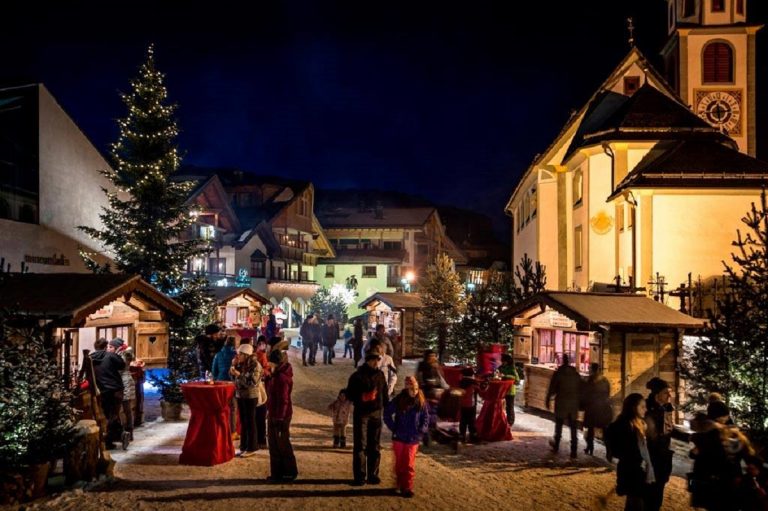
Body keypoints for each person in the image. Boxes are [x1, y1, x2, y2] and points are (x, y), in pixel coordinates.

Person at [689, 399, 755, 511]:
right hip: (728, 481)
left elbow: (695, 454)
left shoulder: (706, 434)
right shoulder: (731, 433)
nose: (727, 418)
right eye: (725, 415)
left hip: (715, 481)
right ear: (718, 417)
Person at [346, 351, 390, 486]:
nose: (376, 362)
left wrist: (386, 408)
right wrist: (362, 397)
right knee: (360, 445)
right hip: (362, 414)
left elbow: (384, 394)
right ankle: (359, 476)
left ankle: (373, 474)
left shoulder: (380, 375)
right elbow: (349, 394)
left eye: (377, 360)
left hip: (377, 413)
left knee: (375, 445)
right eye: (373, 360)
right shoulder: (357, 376)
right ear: (367, 361)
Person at [607, 393, 655, 511]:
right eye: (642, 407)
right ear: (633, 407)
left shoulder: (640, 424)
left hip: (638, 469)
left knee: (633, 504)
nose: (646, 409)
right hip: (631, 470)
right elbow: (620, 449)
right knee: (637, 503)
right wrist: (633, 456)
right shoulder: (624, 425)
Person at [383, 376, 430, 498]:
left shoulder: (421, 400)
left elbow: (426, 418)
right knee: (399, 464)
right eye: (412, 389)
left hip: (413, 438)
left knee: (409, 464)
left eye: (416, 389)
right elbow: (387, 413)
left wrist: (421, 431)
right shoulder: (399, 400)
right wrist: (393, 427)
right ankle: (399, 484)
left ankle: (407, 487)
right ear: (407, 388)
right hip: (399, 437)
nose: (414, 391)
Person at [266, 342, 298, 482]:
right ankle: (281, 472)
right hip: (277, 413)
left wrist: (279, 417)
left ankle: (284, 473)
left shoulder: (281, 378)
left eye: (271, 363)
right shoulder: (279, 374)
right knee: (278, 444)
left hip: (279, 415)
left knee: (279, 444)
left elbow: (284, 399)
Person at [644, 377, 674, 511]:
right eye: (666, 392)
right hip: (650, 455)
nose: (670, 395)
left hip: (664, 454)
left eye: (670, 392)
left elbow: (669, 428)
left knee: (660, 485)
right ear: (657, 395)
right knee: (649, 489)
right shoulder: (646, 409)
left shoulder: (667, 408)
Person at [90, 338, 126, 448]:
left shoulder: (90, 358)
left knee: (108, 414)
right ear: (105, 347)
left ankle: (118, 435)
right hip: (116, 389)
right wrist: (117, 354)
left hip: (102, 390)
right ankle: (109, 440)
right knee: (113, 414)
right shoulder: (110, 355)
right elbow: (122, 365)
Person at [230, 343, 265, 457]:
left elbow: (252, 383)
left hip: (251, 396)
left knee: (250, 422)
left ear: (246, 354)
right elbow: (235, 379)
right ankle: (244, 446)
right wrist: (233, 370)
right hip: (240, 395)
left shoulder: (255, 365)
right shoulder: (241, 363)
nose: (238, 356)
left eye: (240, 354)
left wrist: (239, 375)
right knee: (244, 422)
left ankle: (252, 447)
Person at [545, 354, 581, 458]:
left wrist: (548, 399)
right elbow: (581, 388)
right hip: (573, 403)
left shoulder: (558, 374)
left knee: (559, 424)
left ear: (562, 361)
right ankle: (574, 449)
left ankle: (556, 445)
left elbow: (552, 388)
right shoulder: (575, 374)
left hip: (561, 402)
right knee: (573, 427)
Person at [416, 349, 446, 446]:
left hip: (435, 394)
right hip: (425, 393)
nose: (432, 358)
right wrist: (424, 385)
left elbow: (441, 379)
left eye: (434, 356)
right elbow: (419, 378)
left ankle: (432, 434)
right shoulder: (422, 366)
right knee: (425, 415)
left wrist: (442, 388)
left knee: (433, 415)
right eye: (430, 356)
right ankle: (425, 436)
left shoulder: (436, 366)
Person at [581, 362, 612, 455]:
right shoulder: (605, 380)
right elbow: (608, 393)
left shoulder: (590, 380)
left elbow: (585, 394)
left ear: (592, 370)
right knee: (605, 430)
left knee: (590, 430)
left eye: (590, 369)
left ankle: (590, 448)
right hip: (603, 408)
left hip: (592, 409)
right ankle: (608, 451)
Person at [213, 337, 237, 436]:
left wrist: (217, 379)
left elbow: (214, 370)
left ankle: (220, 430)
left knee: (220, 406)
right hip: (232, 383)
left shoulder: (218, 355)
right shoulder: (235, 355)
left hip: (220, 382)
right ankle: (232, 431)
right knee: (233, 407)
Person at [254, 336, 270, 448]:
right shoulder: (261, 355)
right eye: (261, 344)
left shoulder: (259, 355)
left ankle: (259, 439)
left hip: (258, 388)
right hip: (259, 388)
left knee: (257, 416)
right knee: (260, 415)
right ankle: (261, 440)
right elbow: (266, 371)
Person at [119, 346, 136, 450]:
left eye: (111, 346)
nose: (109, 348)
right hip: (126, 382)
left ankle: (128, 432)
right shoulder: (124, 354)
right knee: (127, 409)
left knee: (126, 409)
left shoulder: (124, 355)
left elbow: (121, 368)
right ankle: (129, 432)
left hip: (124, 383)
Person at [498, 354, 520, 427]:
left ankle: (510, 422)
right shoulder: (501, 368)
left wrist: (505, 376)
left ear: (507, 361)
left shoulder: (512, 369)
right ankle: (502, 420)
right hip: (502, 390)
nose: (502, 362)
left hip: (510, 391)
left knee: (509, 407)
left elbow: (517, 380)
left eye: (503, 361)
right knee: (501, 406)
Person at [458, 367, 480, 443]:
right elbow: (480, 390)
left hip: (462, 404)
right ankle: (473, 436)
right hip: (471, 404)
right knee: (471, 421)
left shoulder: (461, 382)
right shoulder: (474, 382)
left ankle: (462, 435)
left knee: (463, 420)